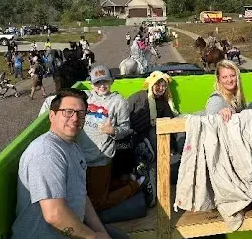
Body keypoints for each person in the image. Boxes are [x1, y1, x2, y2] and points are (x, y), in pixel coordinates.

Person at [11, 88, 130, 239]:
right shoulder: (46, 153)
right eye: (68, 112)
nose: (75, 119)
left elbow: (82, 197)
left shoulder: (73, 147)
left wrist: (101, 233)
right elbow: (54, 215)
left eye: (81, 114)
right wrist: (92, 237)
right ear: (52, 115)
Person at [77, 65, 146, 220]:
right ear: (91, 84)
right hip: (81, 157)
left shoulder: (118, 102)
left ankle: (135, 186)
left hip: (100, 157)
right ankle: (128, 179)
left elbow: (126, 129)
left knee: (97, 203)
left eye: (105, 81)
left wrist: (113, 131)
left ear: (112, 81)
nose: (101, 86)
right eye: (97, 82)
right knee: (87, 193)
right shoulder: (86, 98)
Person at [117, 71, 180, 207]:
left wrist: (172, 145)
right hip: (132, 135)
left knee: (151, 157)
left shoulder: (163, 104)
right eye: (158, 85)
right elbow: (124, 115)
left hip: (149, 139)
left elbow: (169, 123)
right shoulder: (138, 97)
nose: (161, 89)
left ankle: (150, 192)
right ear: (151, 84)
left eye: (164, 86)